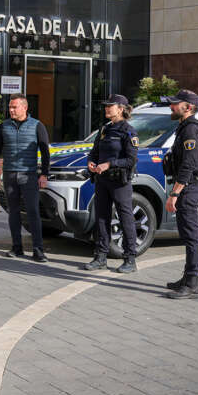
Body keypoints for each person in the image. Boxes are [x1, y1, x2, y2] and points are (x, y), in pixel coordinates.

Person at [162, 89, 198, 299]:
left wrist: (175, 194)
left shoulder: (191, 130)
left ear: (188, 107)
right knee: (187, 235)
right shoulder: (185, 128)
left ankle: (192, 283)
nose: (171, 107)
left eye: (175, 104)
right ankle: (187, 278)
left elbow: (189, 164)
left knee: (191, 237)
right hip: (188, 187)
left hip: (189, 188)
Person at [0, 94, 50, 262]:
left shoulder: (37, 126)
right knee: (13, 213)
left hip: (29, 175)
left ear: (25, 108)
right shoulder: (3, 126)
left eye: (14, 107)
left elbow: (45, 152)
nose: (11, 110)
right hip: (9, 175)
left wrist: (44, 174)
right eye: (9, 107)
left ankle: (38, 250)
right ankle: (17, 248)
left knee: (33, 212)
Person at [83, 94, 139, 273]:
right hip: (102, 180)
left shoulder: (128, 131)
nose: (107, 108)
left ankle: (130, 259)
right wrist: (91, 162)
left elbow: (131, 160)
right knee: (101, 218)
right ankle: (100, 257)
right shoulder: (104, 129)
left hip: (119, 182)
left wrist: (109, 164)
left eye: (110, 106)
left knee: (125, 219)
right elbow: (94, 151)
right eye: (106, 106)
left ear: (121, 109)